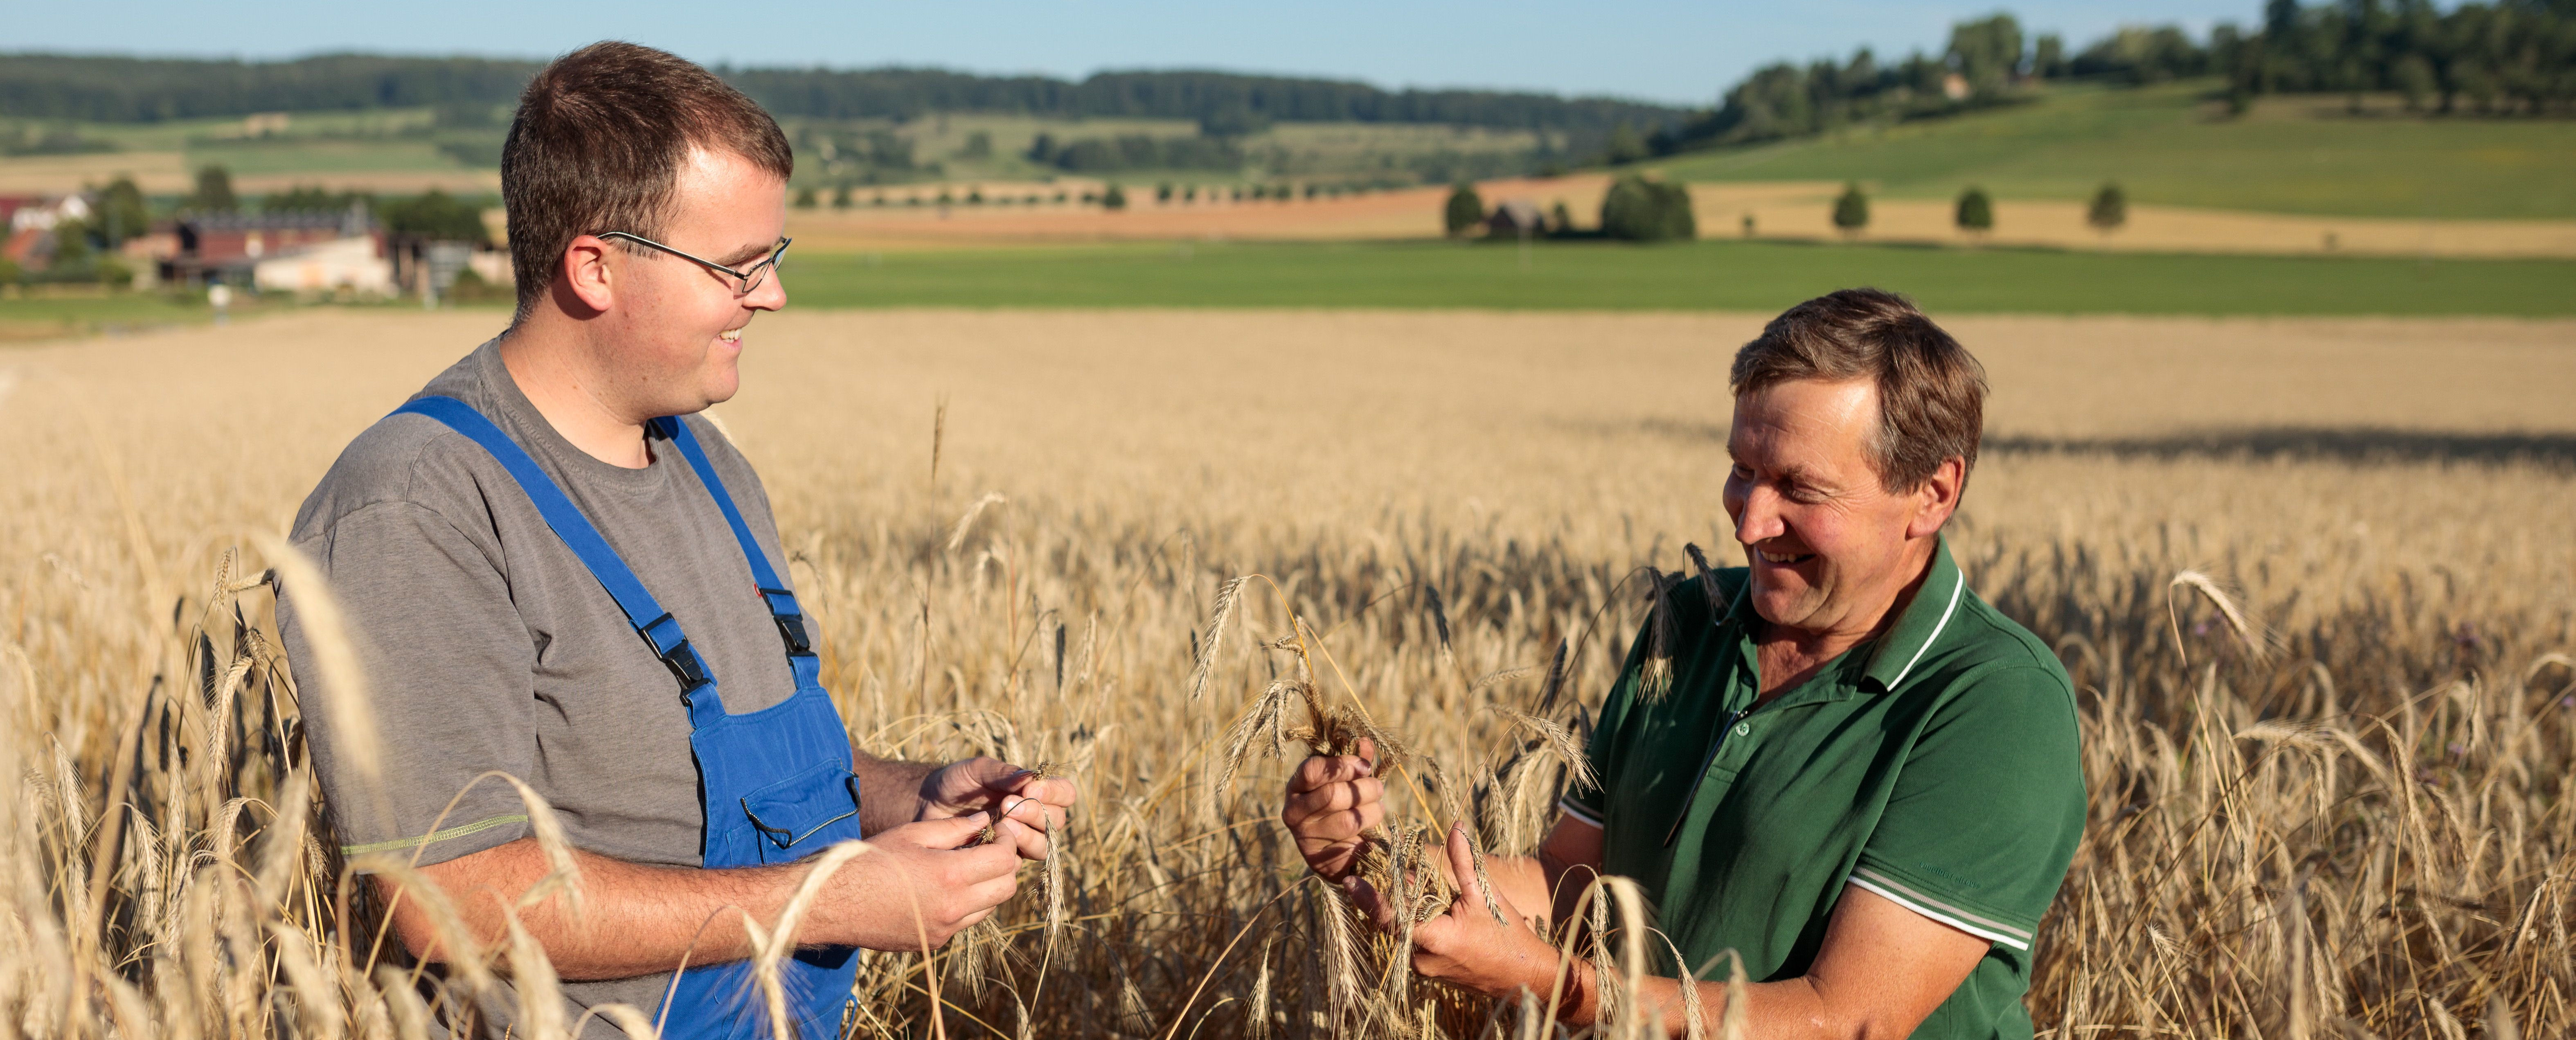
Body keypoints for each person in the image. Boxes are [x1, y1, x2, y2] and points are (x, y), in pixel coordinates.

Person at [278, 43, 1075, 1040]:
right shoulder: (419, 504)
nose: (772, 296)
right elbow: (449, 895)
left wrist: (913, 798)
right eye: (736, 267)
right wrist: (829, 900)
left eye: (772, 260)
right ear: (595, 267)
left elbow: (711, 787)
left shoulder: (706, 461)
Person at [1282, 289, 2084, 1038]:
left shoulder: (1997, 702)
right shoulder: (1691, 618)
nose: (1750, 519)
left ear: (1932, 493)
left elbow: (1841, 1019)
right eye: (1743, 469)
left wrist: (1558, 985)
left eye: (1800, 488)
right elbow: (1568, 883)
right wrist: (1372, 853)